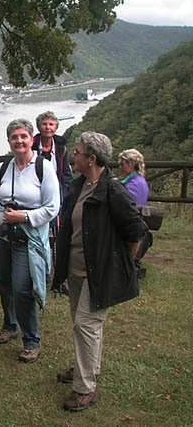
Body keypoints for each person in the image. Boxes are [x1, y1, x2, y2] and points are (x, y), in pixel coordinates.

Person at [52, 132, 146, 411]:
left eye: (78, 153)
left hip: (99, 272)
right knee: (84, 326)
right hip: (77, 269)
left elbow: (136, 231)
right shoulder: (80, 186)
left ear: (92, 159)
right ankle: (86, 368)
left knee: (86, 325)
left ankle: (85, 388)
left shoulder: (113, 190)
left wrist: (120, 265)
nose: (74, 157)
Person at [0, 119, 59, 364]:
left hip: (28, 238)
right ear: (9, 141)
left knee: (23, 288)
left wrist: (24, 216)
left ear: (32, 139)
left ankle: (32, 340)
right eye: (14, 137)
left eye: (23, 136)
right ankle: (10, 323)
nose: (19, 141)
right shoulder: (6, 168)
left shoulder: (43, 168)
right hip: (1, 235)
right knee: (3, 281)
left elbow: (53, 207)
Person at [32, 111, 73, 279]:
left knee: (58, 233)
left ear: (56, 127)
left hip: (58, 192)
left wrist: (67, 195)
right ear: (38, 127)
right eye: (44, 124)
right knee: (40, 232)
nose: (48, 128)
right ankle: (43, 271)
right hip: (36, 192)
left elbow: (66, 174)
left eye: (51, 124)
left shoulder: (61, 148)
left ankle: (57, 271)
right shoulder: (32, 145)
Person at [118, 148, 151, 278]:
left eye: (123, 164)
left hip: (130, 228)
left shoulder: (132, 185)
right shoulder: (140, 181)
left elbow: (125, 210)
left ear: (131, 164)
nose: (120, 167)